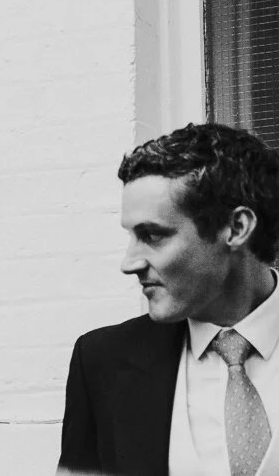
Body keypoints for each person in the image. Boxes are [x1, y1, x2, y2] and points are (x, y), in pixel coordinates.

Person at [59, 122, 279, 476]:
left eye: (152, 235)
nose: (129, 263)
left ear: (236, 228)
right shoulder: (102, 362)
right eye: (132, 237)